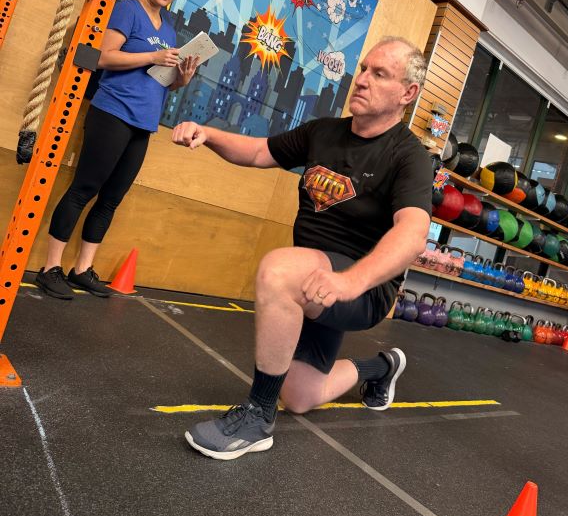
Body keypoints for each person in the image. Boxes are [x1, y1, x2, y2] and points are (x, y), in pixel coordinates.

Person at [172, 36, 432, 461]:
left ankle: (256, 418)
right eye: (363, 69)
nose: (361, 80)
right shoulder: (324, 132)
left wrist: (351, 282)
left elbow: (413, 232)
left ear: (408, 93)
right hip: (314, 281)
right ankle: (381, 368)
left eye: (379, 74)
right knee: (299, 395)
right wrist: (209, 134)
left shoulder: (410, 157)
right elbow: (259, 152)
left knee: (278, 270)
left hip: (361, 288)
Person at [35, 0, 200, 300]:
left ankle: (82, 270)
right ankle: (50, 268)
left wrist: (181, 79)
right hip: (113, 112)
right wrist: (153, 56)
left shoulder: (168, 30)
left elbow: (162, 80)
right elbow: (105, 57)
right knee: (84, 188)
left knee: (111, 199)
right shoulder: (127, 10)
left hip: (144, 123)